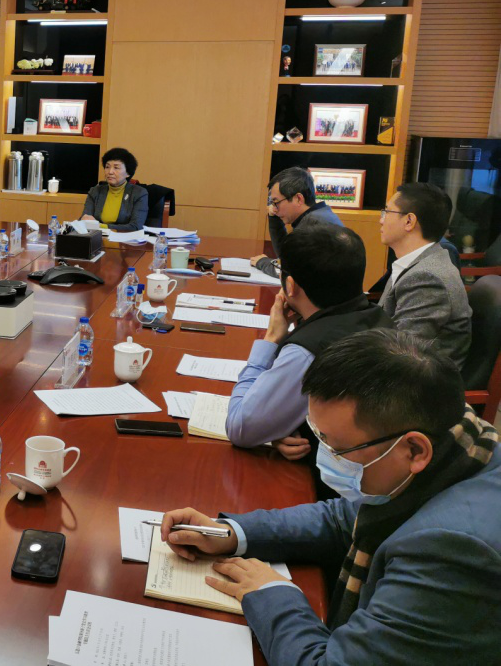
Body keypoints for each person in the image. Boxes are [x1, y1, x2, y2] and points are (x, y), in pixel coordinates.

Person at [160, 329, 501, 664]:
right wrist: (230, 533)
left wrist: (275, 595)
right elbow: (343, 519)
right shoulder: (453, 433)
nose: (324, 456)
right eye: (319, 436)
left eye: (337, 447)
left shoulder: (452, 553)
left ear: (414, 450)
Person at [227, 225, 391, 459]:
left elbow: (240, 427)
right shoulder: (379, 318)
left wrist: (271, 339)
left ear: (290, 286)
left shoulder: (306, 352)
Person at [378, 183, 471, 369]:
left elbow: (401, 353)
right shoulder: (417, 263)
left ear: (409, 221)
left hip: (418, 380)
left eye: (387, 212)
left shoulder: (428, 277)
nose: (381, 220)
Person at [252, 167, 342, 277]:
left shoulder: (312, 227)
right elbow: (288, 257)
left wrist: (263, 263)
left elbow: (290, 272)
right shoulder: (320, 215)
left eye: (276, 202)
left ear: (298, 199)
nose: (274, 208)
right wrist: (275, 218)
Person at [80, 147, 148, 232]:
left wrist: (100, 226)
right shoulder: (95, 191)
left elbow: (136, 226)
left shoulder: (139, 193)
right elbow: (85, 219)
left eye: (116, 168)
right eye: (107, 167)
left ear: (128, 173)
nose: (110, 172)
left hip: (124, 238)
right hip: (97, 237)